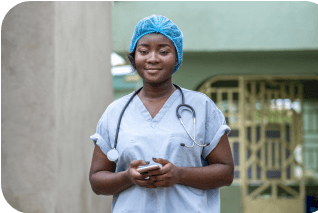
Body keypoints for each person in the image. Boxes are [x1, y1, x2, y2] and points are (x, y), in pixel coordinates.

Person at [89, 14, 234, 213]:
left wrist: (180, 174)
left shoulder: (201, 107)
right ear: (134, 57)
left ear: (177, 58)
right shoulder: (115, 112)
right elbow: (97, 180)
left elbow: (226, 173)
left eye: (163, 51)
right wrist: (127, 177)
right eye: (144, 51)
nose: (153, 58)